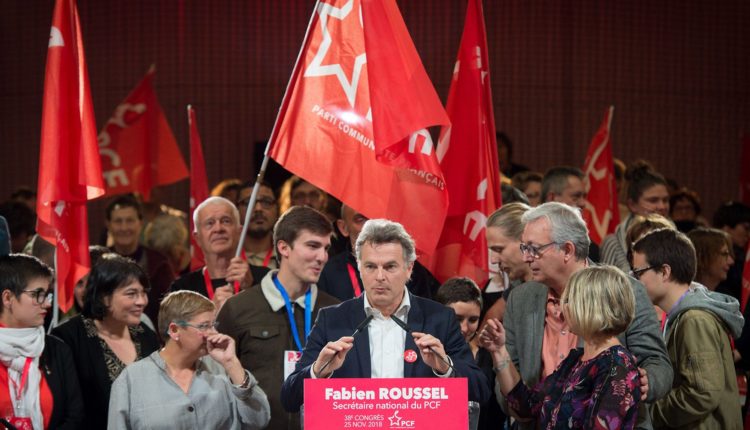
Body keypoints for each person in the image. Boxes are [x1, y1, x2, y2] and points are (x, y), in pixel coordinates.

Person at [281, 219, 490, 412]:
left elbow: (480, 391)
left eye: (390, 267)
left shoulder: (440, 318)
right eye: (371, 266)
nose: (380, 276)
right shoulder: (332, 320)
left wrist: (445, 368)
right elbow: (289, 399)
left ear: (409, 269)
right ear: (360, 268)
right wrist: (317, 372)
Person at [500, 202, 672, 429]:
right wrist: (498, 353)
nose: (526, 257)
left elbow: (657, 362)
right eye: (524, 248)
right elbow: (523, 398)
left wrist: (644, 382)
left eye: (534, 248)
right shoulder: (521, 300)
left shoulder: (624, 290)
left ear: (567, 250)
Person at [217, 205, 340, 430]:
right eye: (313, 246)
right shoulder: (238, 308)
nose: (322, 257)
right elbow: (217, 384)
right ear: (284, 247)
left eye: (326, 248)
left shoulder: (336, 311)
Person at [481, 266, 641, 429]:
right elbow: (527, 406)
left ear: (592, 307)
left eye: (569, 299)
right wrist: (499, 351)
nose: (562, 308)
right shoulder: (575, 360)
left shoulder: (617, 365)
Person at [108, 291, 270, 429]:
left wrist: (232, 364)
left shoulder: (222, 369)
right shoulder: (131, 380)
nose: (213, 333)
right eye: (204, 326)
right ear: (174, 330)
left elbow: (259, 420)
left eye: (213, 325)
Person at [632, 228, 743, 428]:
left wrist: (650, 413)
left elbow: (702, 393)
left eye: (639, 273)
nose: (635, 282)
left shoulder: (694, 319)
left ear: (664, 272)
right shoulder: (684, 316)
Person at [52, 254, 160, 429]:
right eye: (131, 294)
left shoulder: (145, 334)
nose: (142, 301)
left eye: (143, 293)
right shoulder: (69, 338)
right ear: (104, 297)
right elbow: (69, 411)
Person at [0, 254, 84, 429]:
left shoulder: (57, 349)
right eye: (38, 295)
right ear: (7, 298)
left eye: (47, 295)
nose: (46, 303)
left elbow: (74, 416)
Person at [317, 204, 439, 301]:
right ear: (343, 228)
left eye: (377, 216)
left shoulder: (411, 269)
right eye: (360, 219)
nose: (371, 224)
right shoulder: (327, 273)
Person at [170, 197, 268, 311]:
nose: (218, 228)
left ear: (239, 232)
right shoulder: (181, 290)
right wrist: (212, 313)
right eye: (210, 223)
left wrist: (252, 290)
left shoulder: (266, 279)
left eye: (226, 221)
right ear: (197, 238)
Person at [435, 277, 506, 430]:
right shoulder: (425, 356)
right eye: (457, 319)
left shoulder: (490, 355)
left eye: (473, 320)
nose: (464, 328)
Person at [104, 194, 175, 323]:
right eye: (118, 221)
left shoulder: (159, 263)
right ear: (108, 224)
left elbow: (170, 310)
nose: (124, 227)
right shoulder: (99, 264)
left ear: (140, 223)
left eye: (130, 220)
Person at [601, 161, 670, 272]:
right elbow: (604, 282)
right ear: (632, 205)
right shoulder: (614, 243)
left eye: (665, 200)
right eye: (653, 200)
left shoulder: (680, 240)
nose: (662, 206)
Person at [482, 203, 532, 322]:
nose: (493, 260)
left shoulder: (557, 289)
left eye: (499, 249)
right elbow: (491, 319)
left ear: (525, 241)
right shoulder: (516, 290)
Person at [541, 166, 600, 261]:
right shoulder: (526, 239)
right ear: (552, 198)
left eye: (584, 196)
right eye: (576, 196)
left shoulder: (590, 248)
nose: (583, 203)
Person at [238, 180, 280, 269]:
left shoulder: (288, 254)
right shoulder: (227, 255)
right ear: (236, 210)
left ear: (277, 209)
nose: (258, 208)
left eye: (266, 202)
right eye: (249, 202)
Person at [713, 201, 750, 301]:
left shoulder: (742, 255)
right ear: (727, 228)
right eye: (746, 228)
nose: (748, 234)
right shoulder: (712, 254)